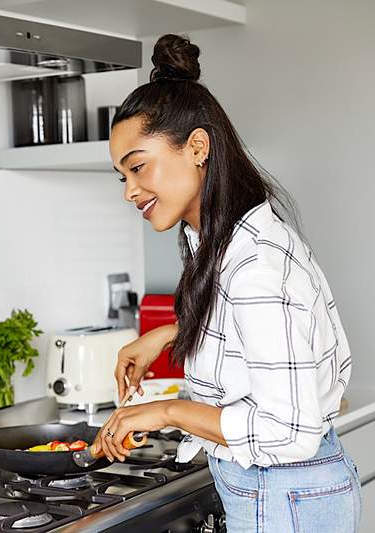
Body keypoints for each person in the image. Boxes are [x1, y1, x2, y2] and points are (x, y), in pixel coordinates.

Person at [96, 34, 361, 532]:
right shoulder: (222, 240)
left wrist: (169, 411)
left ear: (197, 147)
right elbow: (242, 317)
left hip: (285, 498)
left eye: (138, 167)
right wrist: (173, 331)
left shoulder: (255, 262)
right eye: (122, 176)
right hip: (278, 496)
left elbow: (289, 432)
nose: (129, 191)